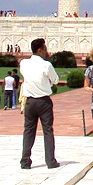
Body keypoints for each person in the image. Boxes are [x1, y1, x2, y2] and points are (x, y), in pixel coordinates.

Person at [19, 38, 60, 169]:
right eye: (45, 48)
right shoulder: (46, 65)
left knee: (28, 131)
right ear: (40, 50)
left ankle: (25, 161)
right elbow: (56, 80)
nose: (47, 51)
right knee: (48, 131)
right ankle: (50, 161)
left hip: (30, 102)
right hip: (43, 102)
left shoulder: (24, 63)